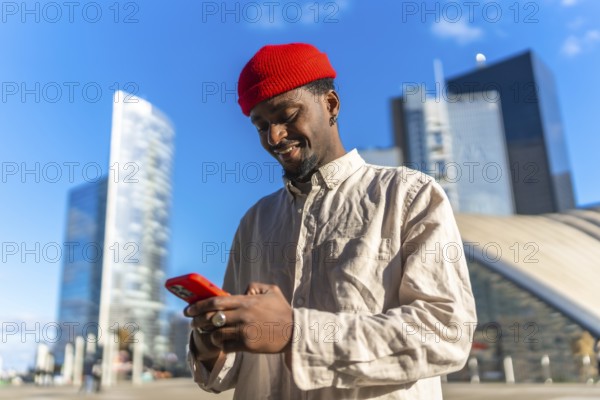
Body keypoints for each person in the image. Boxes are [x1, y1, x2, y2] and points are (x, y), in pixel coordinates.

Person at [184, 42, 477, 399]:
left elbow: (445, 331)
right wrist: (210, 339)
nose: (274, 137)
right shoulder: (254, 222)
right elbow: (227, 372)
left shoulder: (409, 195)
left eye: (287, 115)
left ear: (331, 105)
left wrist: (296, 333)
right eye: (261, 126)